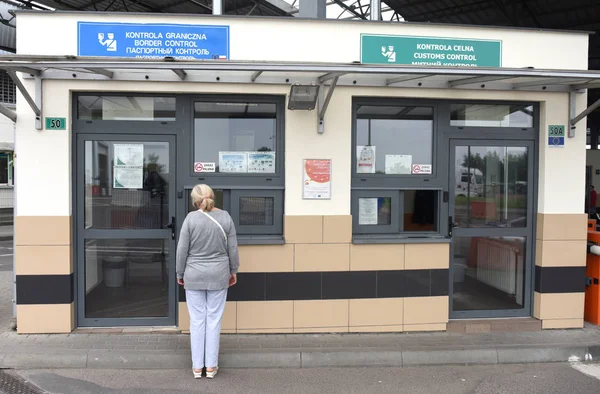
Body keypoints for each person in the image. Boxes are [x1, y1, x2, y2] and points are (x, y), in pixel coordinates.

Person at [176, 184, 239, 379]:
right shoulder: (226, 217)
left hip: (193, 275)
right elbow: (233, 249)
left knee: (196, 321)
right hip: (219, 274)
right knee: (213, 320)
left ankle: (197, 367)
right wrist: (233, 270)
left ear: (195, 201)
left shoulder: (190, 219)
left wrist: (180, 273)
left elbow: (182, 250)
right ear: (213, 196)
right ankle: (211, 367)